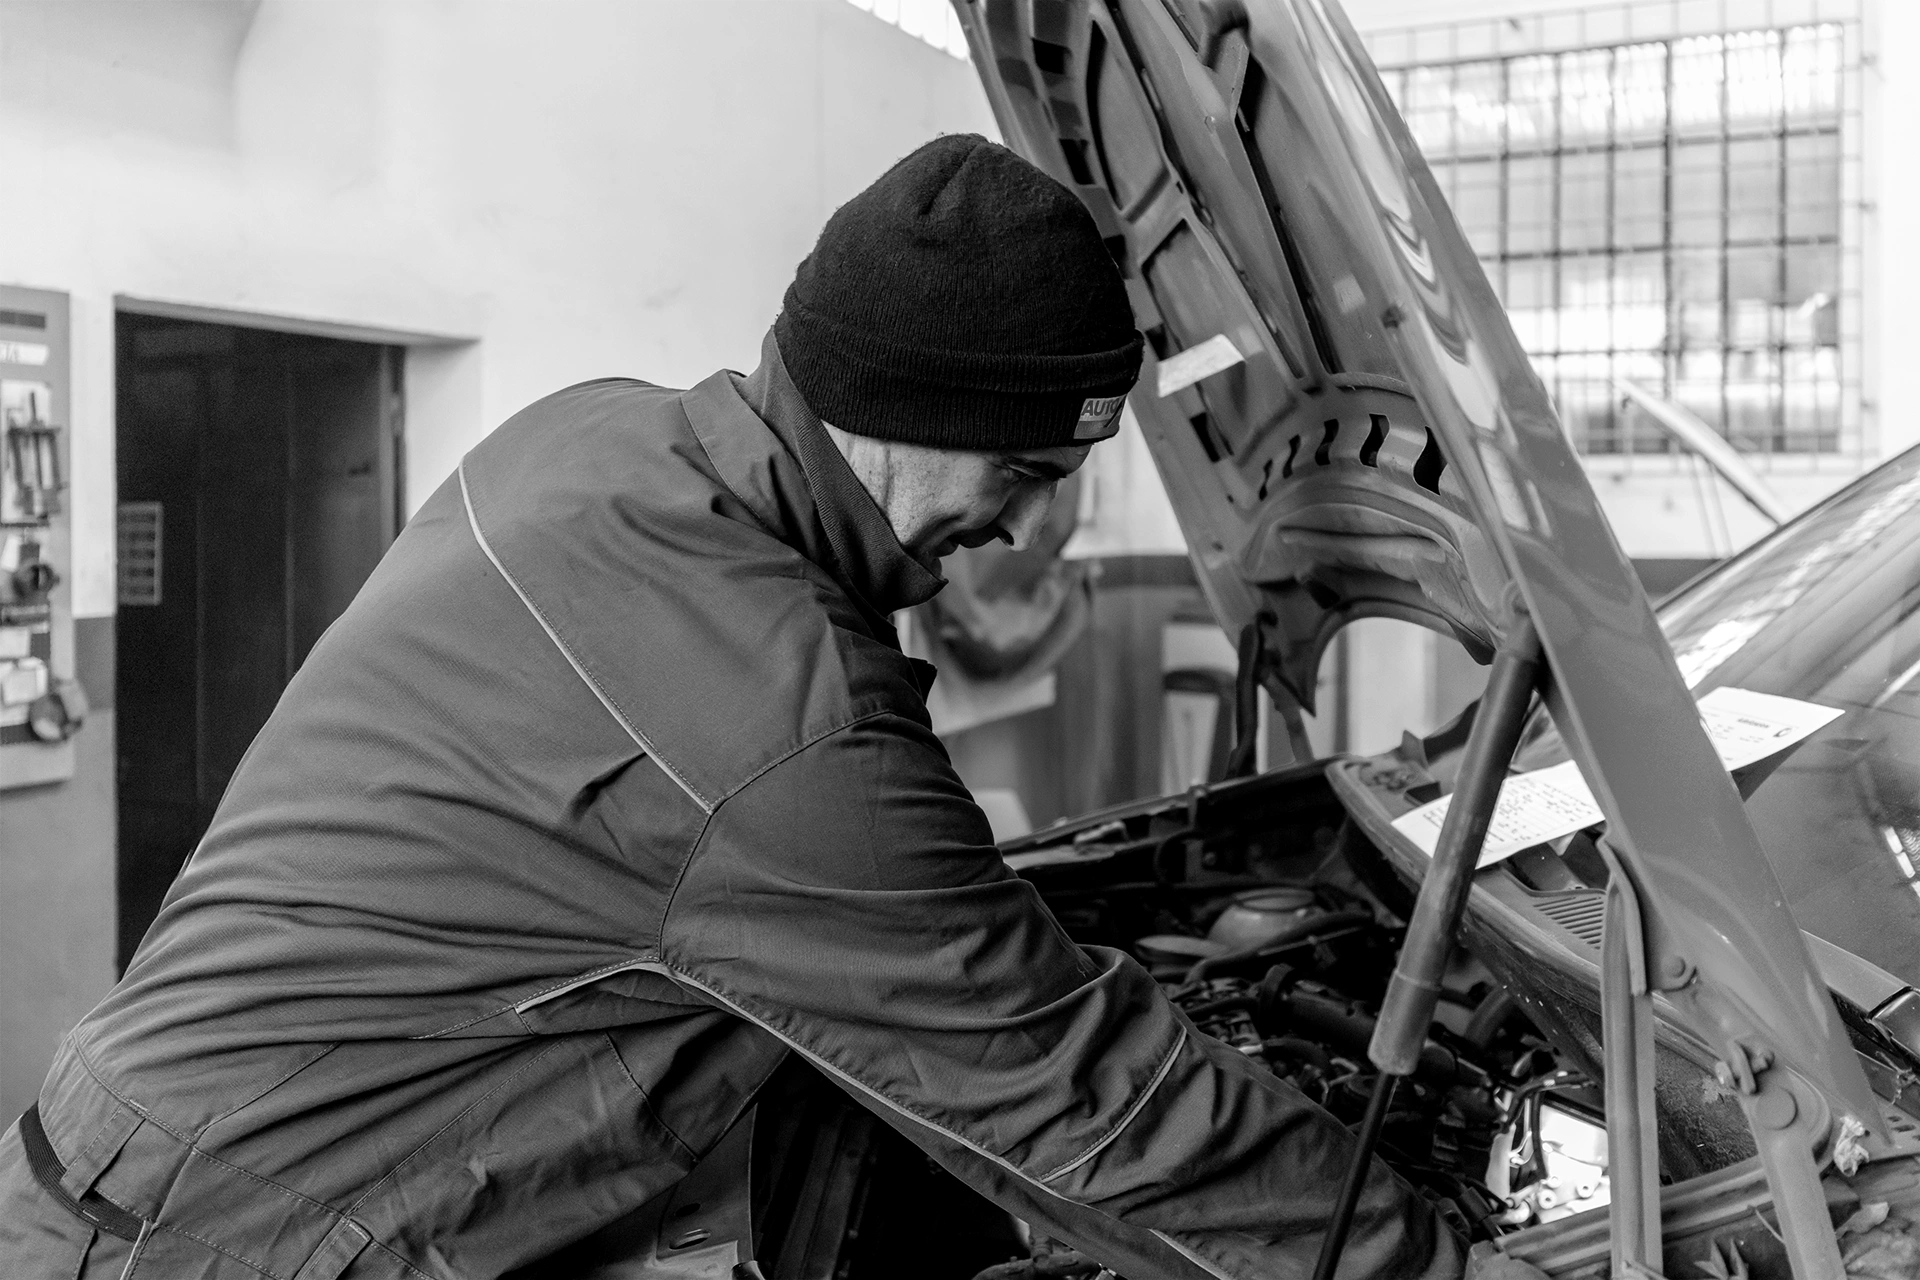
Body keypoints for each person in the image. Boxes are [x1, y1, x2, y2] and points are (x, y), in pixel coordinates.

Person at [0, 135, 1470, 1279]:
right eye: (1023, 473)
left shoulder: (586, 436)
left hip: (145, 1153)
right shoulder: (779, 728)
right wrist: (1436, 1263)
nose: (1029, 527)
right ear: (910, 415)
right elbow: (1073, 1093)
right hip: (207, 1238)